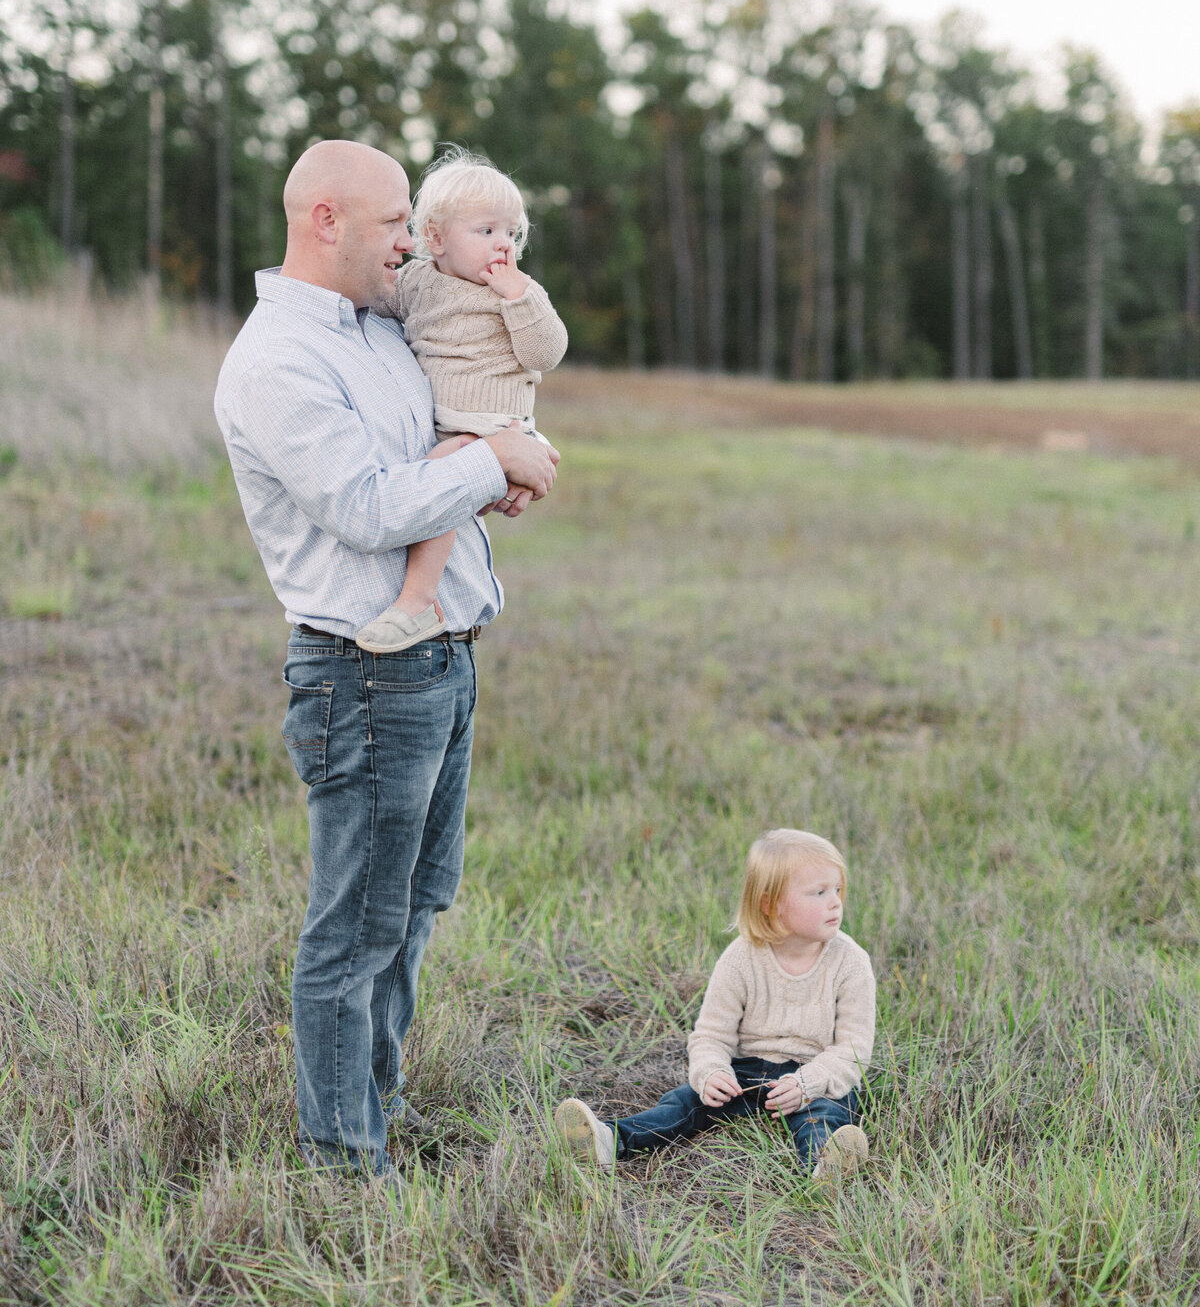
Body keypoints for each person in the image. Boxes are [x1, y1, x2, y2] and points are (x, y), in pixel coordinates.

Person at [214, 138, 559, 1179]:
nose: (409, 241)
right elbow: (366, 509)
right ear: (326, 218)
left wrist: (497, 463)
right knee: (353, 930)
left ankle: (377, 1108)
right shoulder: (279, 361)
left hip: (445, 657)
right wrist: (490, 459)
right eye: (392, 222)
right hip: (363, 672)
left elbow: (438, 453)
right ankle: (344, 1166)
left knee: (410, 911)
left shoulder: (380, 327)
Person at [554, 829, 874, 1177]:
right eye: (819, 892)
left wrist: (807, 1083)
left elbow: (852, 1049)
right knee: (684, 1103)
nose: (835, 902)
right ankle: (610, 1138)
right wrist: (712, 1073)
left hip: (812, 1076)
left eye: (837, 889)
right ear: (770, 904)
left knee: (825, 1113)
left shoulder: (850, 962)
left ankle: (824, 1167)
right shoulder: (741, 958)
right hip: (746, 1072)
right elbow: (711, 1035)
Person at [355, 149, 567, 655]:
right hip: (450, 419)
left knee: (444, 477)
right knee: (448, 482)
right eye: (486, 231)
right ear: (435, 238)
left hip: (491, 422)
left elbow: (548, 351)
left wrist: (520, 298)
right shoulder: (418, 283)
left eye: (511, 233)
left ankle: (418, 599)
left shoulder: (514, 290)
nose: (502, 245)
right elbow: (372, 303)